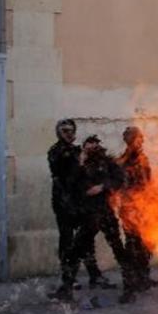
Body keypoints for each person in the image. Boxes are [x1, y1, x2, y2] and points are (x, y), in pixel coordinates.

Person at [52, 136, 138, 303]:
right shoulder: (78, 165)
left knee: (118, 249)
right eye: (89, 144)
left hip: (105, 212)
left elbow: (119, 180)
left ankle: (130, 288)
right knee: (75, 252)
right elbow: (69, 183)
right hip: (87, 215)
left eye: (95, 143)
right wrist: (80, 163)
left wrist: (103, 186)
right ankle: (66, 289)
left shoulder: (108, 163)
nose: (93, 146)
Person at [47, 119, 114, 291]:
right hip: (64, 204)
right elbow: (66, 176)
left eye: (71, 130)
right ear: (58, 133)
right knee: (67, 240)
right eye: (64, 130)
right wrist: (81, 160)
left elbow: (89, 172)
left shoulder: (78, 151)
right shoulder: (56, 152)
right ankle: (68, 278)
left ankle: (94, 275)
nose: (68, 134)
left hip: (81, 203)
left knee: (86, 239)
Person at [115, 126, 157, 292]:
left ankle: (143, 277)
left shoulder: (143, 158)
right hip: (130, 209)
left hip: (144, 207)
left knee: (146, 244)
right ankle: (130, 283)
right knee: (132, 245)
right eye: (138, 138)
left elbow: (148, 182)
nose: (142, 141)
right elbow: (123, 188)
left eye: (142, 138)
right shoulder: (124, 161)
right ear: (130, 140)